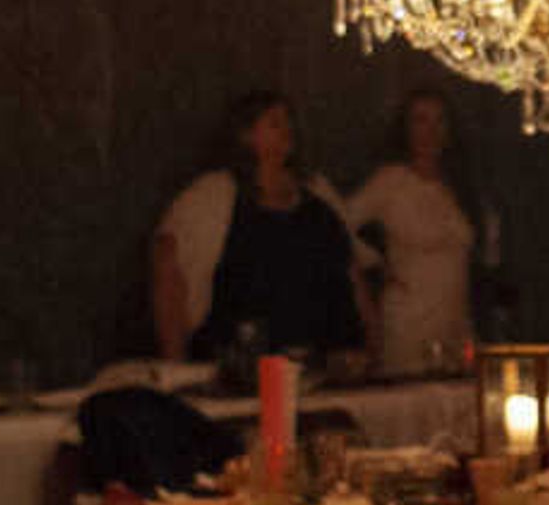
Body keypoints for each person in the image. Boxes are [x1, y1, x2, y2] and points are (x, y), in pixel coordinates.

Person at [151, 91, 368, 368]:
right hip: (241, 366)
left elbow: (352, 274)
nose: (287, 130)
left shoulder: (318, 195)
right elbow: (167, 269)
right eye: (275, 123)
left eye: (289, 122)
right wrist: (176, 363)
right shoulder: (213, 196)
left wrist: (371, 347)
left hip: (325, 362)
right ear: (246, 134)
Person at [342, 87, 492, 376]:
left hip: (455, 319)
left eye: (438, 121)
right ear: (406, 128)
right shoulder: (390, 181)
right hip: (408, 320)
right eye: (420, 121)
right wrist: (373, 264)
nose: (430, 132)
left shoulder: (458, 185)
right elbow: (337, 224)